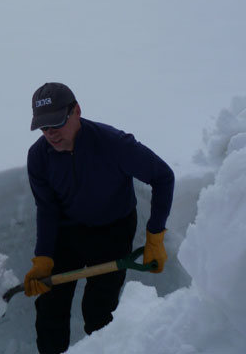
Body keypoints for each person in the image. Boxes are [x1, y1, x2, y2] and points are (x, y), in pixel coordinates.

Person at [25, 82, 175, 354]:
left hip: (113, 231)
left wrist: (155, 236)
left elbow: (163, 177)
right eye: (44, 128)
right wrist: (43, 257)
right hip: (67, 232)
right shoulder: (39, 157)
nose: (51, 134)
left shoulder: (114, 144)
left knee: (98, 312)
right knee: (50, 307)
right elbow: (46, 209)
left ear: (77, 111)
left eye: (57, 123)